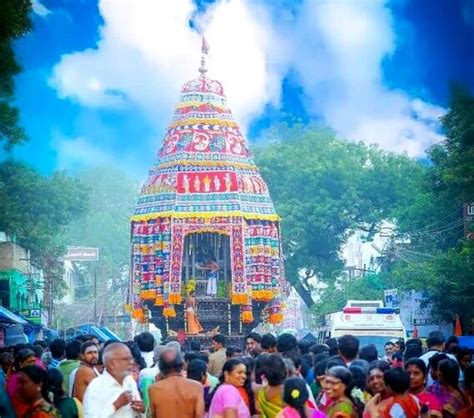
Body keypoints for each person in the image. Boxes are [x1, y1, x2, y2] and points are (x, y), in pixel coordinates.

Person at [83, 342, 145, 418]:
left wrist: (142, 410)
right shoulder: (96, 387)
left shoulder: (130, 381)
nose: (131, 362)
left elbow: (139, 413)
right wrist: (115, 406)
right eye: (126, 359)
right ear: (112, 364)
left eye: (131, 358)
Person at [149, 347, 204, 418]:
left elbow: (153, 415)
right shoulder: (196, 387)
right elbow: (199, 415)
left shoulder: (154, 389)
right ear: (183, 365)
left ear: (161, 368)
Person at [7, 348, 37, 418]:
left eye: (34, 361)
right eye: (29, 362)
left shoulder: (29, 376)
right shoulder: (15, 379)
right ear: (20, 363)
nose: (33, 364)